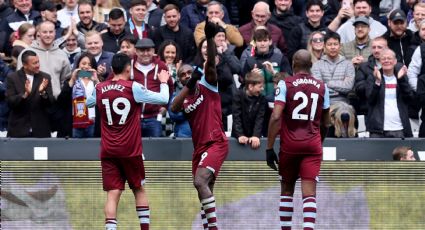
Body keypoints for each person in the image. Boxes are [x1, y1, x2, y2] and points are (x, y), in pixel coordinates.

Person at [86, 53, 170, 230]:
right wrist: (163, 81)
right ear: (127, 68)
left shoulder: (100, 88)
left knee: (112, 193)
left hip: (108, 150)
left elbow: (88, 103)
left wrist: (98, 82)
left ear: (111, 69)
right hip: (131, 150)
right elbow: (163, 99)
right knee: (138, 189)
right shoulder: (133, 87)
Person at [170, 21, 228, 230]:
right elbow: (174, 109)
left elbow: (211, 64)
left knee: (199, 182)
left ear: (196, 73)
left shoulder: (208, 84)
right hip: (200, 147)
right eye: (182, 76)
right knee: (205, 189)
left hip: (216, 141)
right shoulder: (183, 97)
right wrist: (189, 83)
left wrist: (210, 39)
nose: (185, 76)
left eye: (188, 73)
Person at [265, 49, 331, 230]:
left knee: (287, 190)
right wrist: (319, 142)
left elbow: (276, 117)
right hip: (312, 144)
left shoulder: (285, 84)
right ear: (311, 65)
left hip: (290, 145)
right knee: (309, 194)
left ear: (293, 64)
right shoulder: (322, 87)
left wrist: (269, 148)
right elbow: (326, 123)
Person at [366, 49, 414, 138]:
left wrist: (401, 80)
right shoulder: (373, 77)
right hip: (377, 129)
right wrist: (377, 82)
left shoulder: (401, 76)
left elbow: (410, 98)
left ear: (395, 61)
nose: (386, 61)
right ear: (380, 61)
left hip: (399, 127)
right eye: (383, 59)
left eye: (389, 58)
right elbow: (370, 100)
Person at [6, 50, 54, 137]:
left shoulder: (45, 77)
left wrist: (42, 92)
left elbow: (50, 103)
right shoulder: (13, 78)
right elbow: (10, 102)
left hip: (40, 130)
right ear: (25, 65)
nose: (38, 65)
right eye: (34, 63)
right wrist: (24, 95)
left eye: (38, 62)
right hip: (19, 130)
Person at [311, 31, 355, 105]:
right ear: (324, 46)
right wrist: (339, 88)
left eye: (335, 44)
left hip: (343, 103)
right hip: (322, 103)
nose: (333, 47)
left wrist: (327, 83)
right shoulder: (317, 65)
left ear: (340, 46)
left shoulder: (348, 64)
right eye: (329, 44)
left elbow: (348, 87)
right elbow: (318, 88)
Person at [232, 71, 266, 149]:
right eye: (260, 86)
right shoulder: (238, 96)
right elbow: (236, 116)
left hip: (254, 135)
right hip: (238, 135)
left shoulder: (262, 98)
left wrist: (256, 135)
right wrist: (240, 135)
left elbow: (260, 118)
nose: (262, 88)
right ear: (250, 86)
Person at [168, 64, 193, 137]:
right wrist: (192, 108)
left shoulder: (204, 91)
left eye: (189, 72)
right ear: (179, 79)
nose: (187, 76)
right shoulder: (176, 96)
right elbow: (174, 115)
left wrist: (184, 108)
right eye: (183, 75)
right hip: (184, 137)